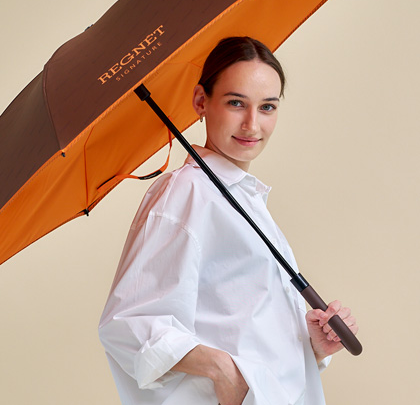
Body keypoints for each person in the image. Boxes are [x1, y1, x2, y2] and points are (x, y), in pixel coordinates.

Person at [98, 37, 358, 405]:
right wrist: (221, 369)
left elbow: (242, 328)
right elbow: (128, 323)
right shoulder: (186, 193)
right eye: (236, 103)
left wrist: (309, 346)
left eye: (267, 107)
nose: (252, 124)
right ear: (201, 101)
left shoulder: (242, 197)